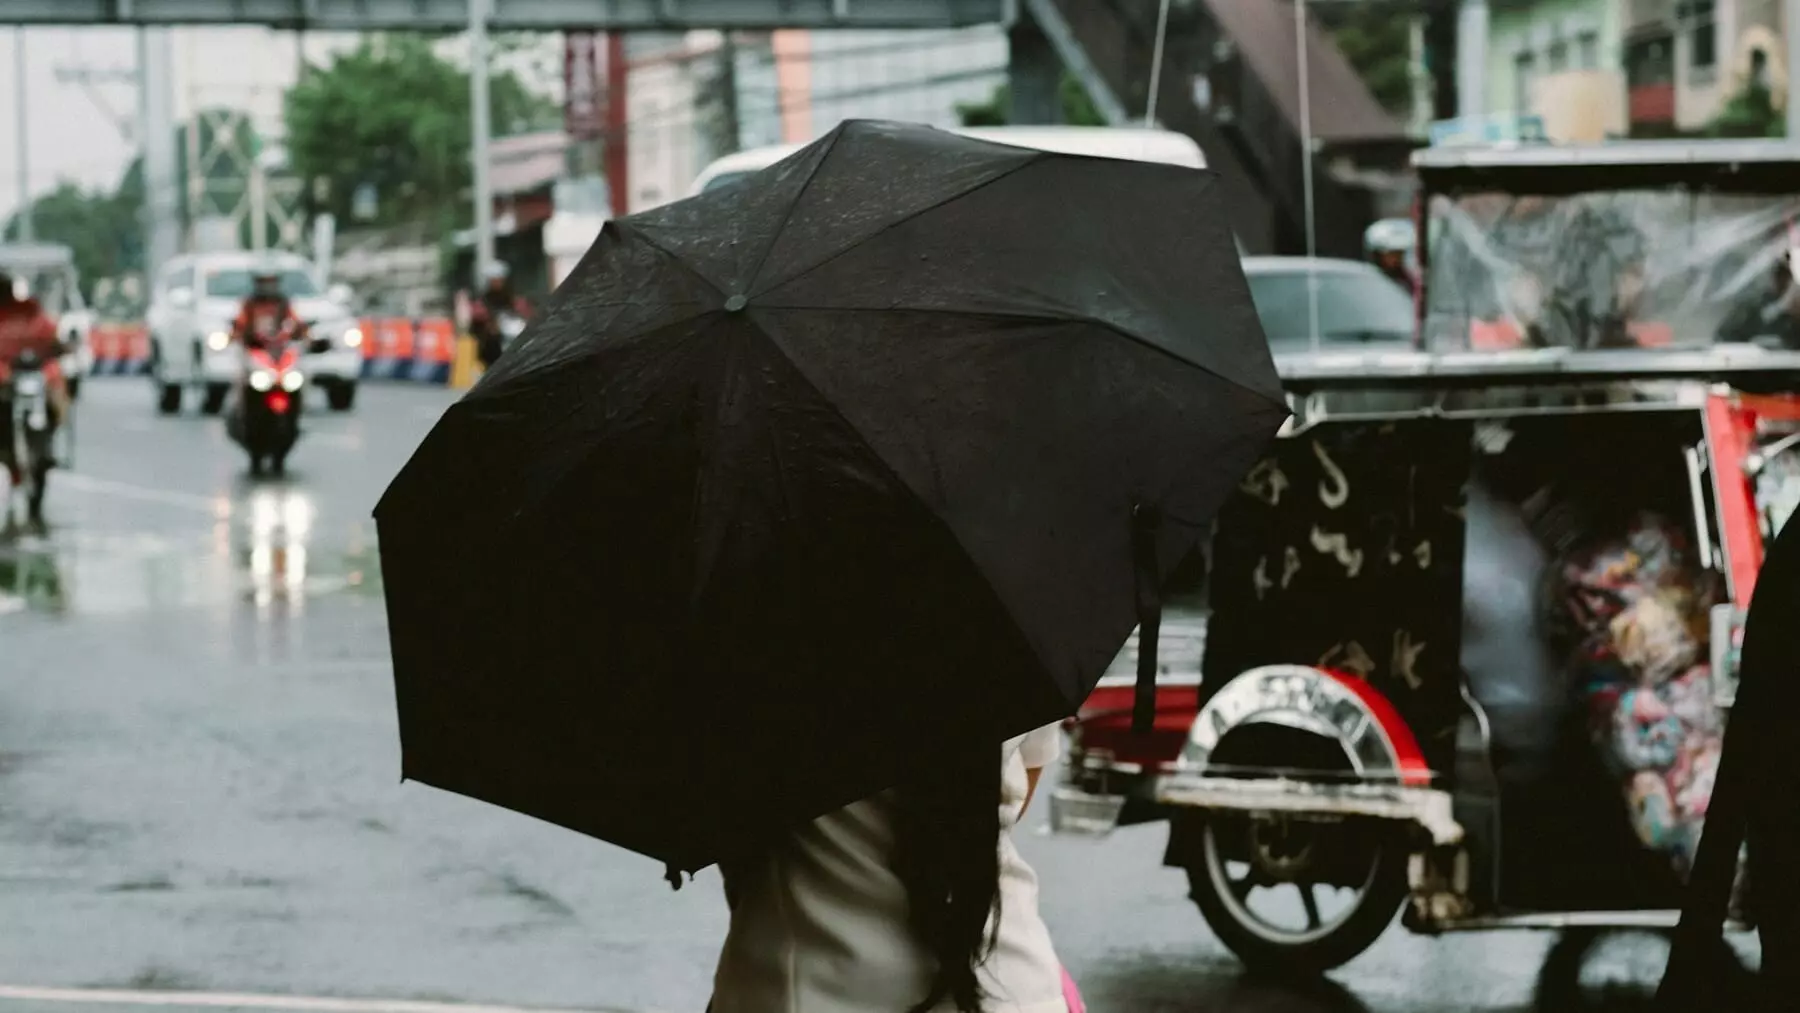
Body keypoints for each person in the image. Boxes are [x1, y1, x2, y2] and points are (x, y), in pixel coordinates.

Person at [709, 726, 1071, 1013]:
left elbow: (724, 831)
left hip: (801, 984)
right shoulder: (1010, 645)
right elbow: (1017, 791)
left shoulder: (758, 659)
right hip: (1008, 984)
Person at [469, 261, 531, 369]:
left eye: (499, 280)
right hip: (492, 349)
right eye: (493, 280)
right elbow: (474, 326)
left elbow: (527, 317)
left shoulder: (515, 300)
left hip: (514, 345)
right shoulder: (483, 302)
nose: (497, 283)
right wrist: (488, 327)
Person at [232, 266, 302, 349]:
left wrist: (298, 331)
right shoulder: (250, 304)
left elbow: (295, 322)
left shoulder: (283, 303)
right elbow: (240, 324)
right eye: (264, 283)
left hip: (279, 346)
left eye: (271, 283)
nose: (267, 287)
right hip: (254, 346)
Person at [1363, 218, 1416, 295]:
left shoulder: (1412, 281)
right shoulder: (1367, 282)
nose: (1395, 259)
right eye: (1390, 254)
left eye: (1399, 254)